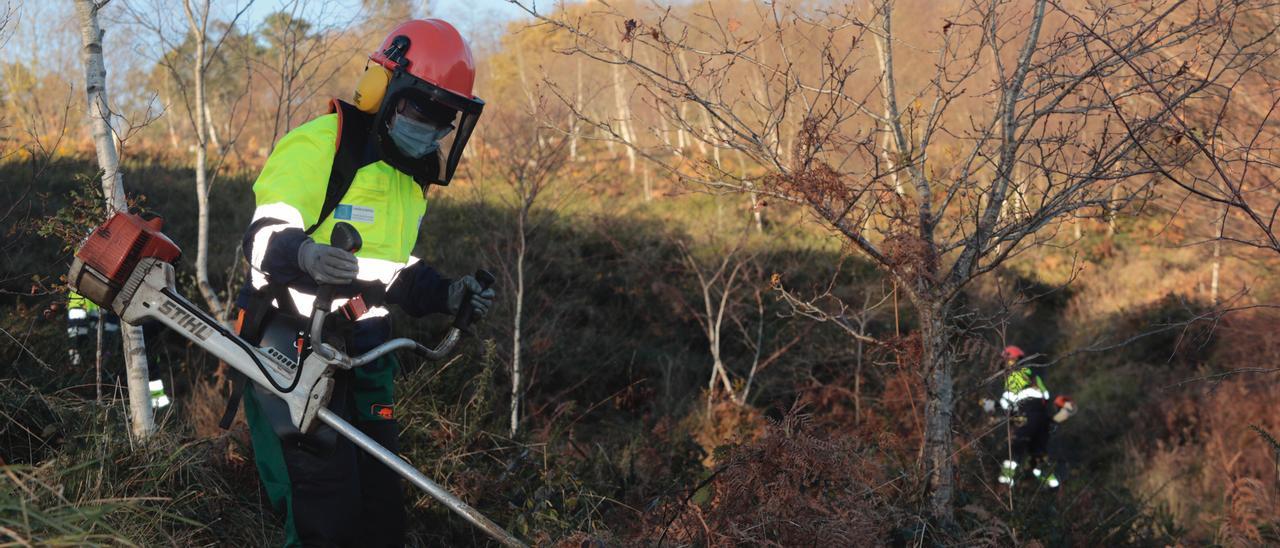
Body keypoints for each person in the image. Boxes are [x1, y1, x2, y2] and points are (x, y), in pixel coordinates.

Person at [231, 19, 495, 546]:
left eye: (445, 117)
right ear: (386, 88)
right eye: (423, 107)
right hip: (292, 342)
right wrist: (303, 252)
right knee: (321, 509)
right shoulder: (320, 146)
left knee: (380, 502)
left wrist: (444, 292)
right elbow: (261, 237)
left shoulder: (410, 175)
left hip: (367, 348)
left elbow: (386, 270)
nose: (431, 125)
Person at [996, 345, 1061, 489]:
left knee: (1013, 452)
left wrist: (992, 406)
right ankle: (1053, 487)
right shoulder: (1034, 376)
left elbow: (1007, 402)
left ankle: (1004, 488)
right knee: (1038, 456)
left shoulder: (1014, 375)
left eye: (1006, 362)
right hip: (1043, 419)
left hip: (1026, 417)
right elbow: (1046, 396)